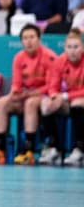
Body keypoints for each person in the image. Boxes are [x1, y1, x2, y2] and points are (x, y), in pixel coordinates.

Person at [0, 24, 57, 166]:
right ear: (21, 41)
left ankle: (28, 152)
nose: (29, 41)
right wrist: (14, 93)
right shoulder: (18, 58)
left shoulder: (50, 57)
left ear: (39, 39)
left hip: (42, 97)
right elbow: (17, 83)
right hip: (25, 96)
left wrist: (32, 93)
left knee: (30, 103)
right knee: (2, 102)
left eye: (32, 37)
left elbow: (52, 86)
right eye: (25, 38)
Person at [38, 29, 84, 166]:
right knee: (46, 105)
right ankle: (53, 148)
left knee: (78, 103)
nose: (73, 51)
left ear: (82, 47)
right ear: (65, 48)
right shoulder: (60, 61)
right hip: (66, 100)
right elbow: (53, 86)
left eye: (76, 47)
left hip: (78, 100)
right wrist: (54, 97)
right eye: (69, 47)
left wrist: (64, 96)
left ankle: (80, 149)